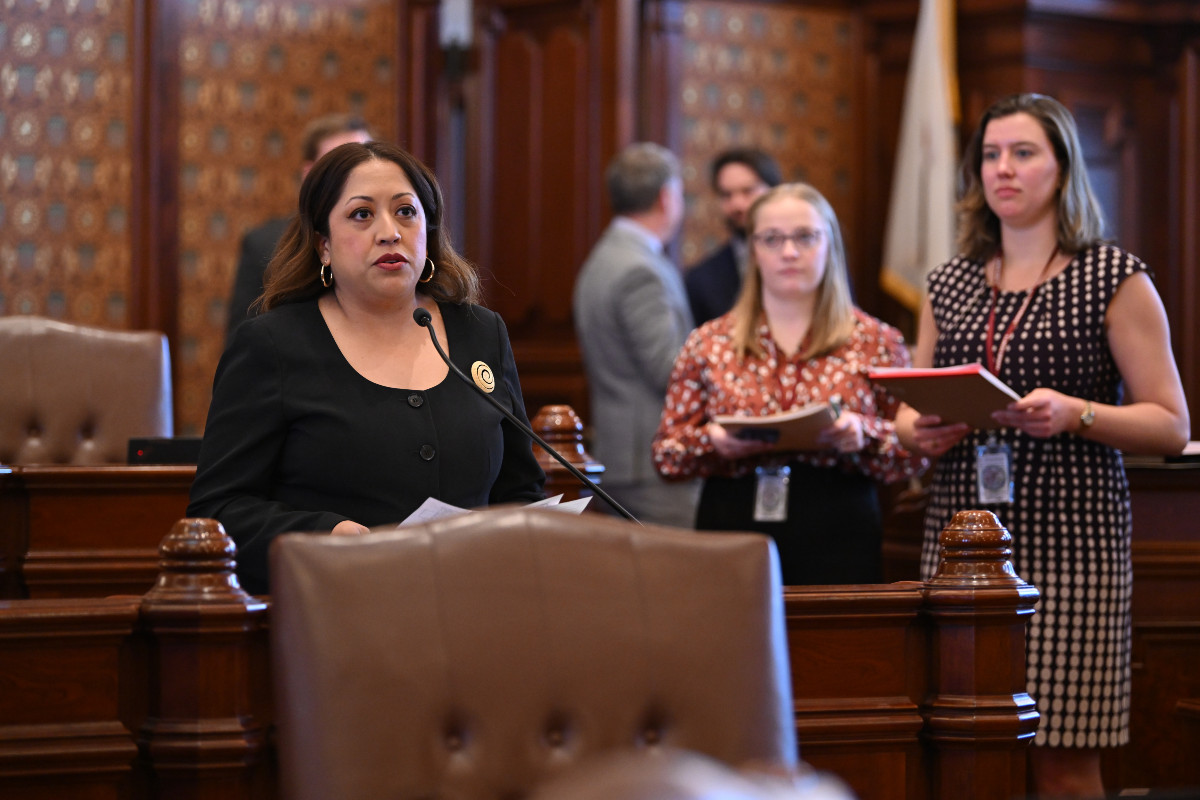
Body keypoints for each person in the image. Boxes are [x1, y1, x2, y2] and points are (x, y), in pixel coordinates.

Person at [893, 93, 1189, 798]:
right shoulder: (950, 283)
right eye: (991, 155)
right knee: (963, 751)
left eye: (1023, 153)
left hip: (1072, 545)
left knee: (1062, 761)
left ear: (1061, 168)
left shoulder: (1113, 277)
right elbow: (908, 414)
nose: (1004, 169)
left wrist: (1076, 413)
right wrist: (921, 429)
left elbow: (1170, 424)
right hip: (963, 541)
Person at [189, 141, 546, 595]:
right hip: (340, 611)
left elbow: (520, 491)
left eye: (405, 212)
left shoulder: (481, 333)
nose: (389, 232)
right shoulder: (272, 346)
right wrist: (329, 535)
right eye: (362, 215)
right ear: (323, 245)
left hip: (474, 611)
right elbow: (217, 511)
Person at [652, 183, 927, 584]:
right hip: (734, 521)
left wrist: (862, 433)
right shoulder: (709, 342)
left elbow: (914, 454)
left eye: (805, 237)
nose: (789, 252)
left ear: (829, 243)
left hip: (839, 522)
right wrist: (713, 441)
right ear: (753, 250)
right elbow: (666, 456)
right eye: (772, 239)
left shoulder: (876, 341)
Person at [572, 142, 699, 527]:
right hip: (650, 464)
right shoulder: (640, 269)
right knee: (675, 581)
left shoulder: (607, 255)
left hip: (624, 455)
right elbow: (669, 369)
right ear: (666, 196)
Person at [225, 113, 374, 342]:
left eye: (364, 162)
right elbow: (242, 340)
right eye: (337, 166)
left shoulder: (392, 238)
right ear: (309, 174)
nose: (355, 176)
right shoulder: (264, 244)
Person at [685, 148, 782, 326]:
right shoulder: (701, 279)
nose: (737, 204)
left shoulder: (812, 259)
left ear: (774, 192)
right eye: (726, 195)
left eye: (748, 191)